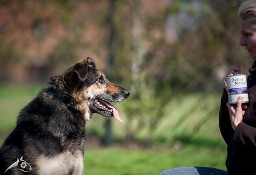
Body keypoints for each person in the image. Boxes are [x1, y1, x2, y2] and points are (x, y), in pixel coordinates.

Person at [219, 0, 256, 174]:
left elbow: (239, 132)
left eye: (247, 34)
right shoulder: (253, 78)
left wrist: (240, 128)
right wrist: (228, 95)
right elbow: (230, 137)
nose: (241, 42)